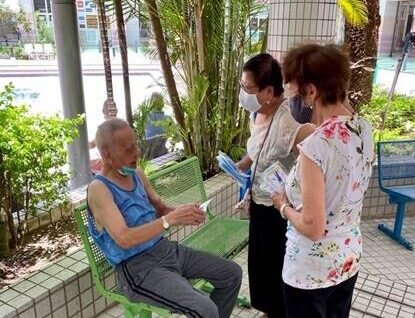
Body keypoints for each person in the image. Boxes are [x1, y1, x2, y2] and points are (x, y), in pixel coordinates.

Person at [87, 118, 242, 318]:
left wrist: (184, 212)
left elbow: (160, 209)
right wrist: (170, 220)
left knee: (231, 274)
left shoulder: (137, 174)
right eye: (128, 149)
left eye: (136, 145)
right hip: (137, 269)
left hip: (165, 250)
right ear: (106, 153)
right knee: (205, 309)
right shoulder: (99, 189)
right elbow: (124, 238)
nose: (137, 153)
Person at [272, 44, 374, 318]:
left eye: (296, 92)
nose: (295, 101)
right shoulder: (363, 129)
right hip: (348, 258)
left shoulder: (315, 147)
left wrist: (282, 205)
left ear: (313, 91)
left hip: (310, 272)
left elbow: (313, 227)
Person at [235, 53, 315, 318]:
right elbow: (260, 150)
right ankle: (268, 311)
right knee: (259, 266)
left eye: (248, 88)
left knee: (274, 268)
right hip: (258, 203)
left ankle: (277, 312)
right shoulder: (258, 112)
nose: (243, 93)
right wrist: (242, 165)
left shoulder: (287, 122)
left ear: (268, 91)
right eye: (242, 86)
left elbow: (317, 146)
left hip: (277, 211)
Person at [89, 99, 117, 173]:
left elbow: (92, 144)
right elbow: (92, 144)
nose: (111, 112)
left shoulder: (106, 128)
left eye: (112, 110)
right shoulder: (122, 125)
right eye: (109, 110)